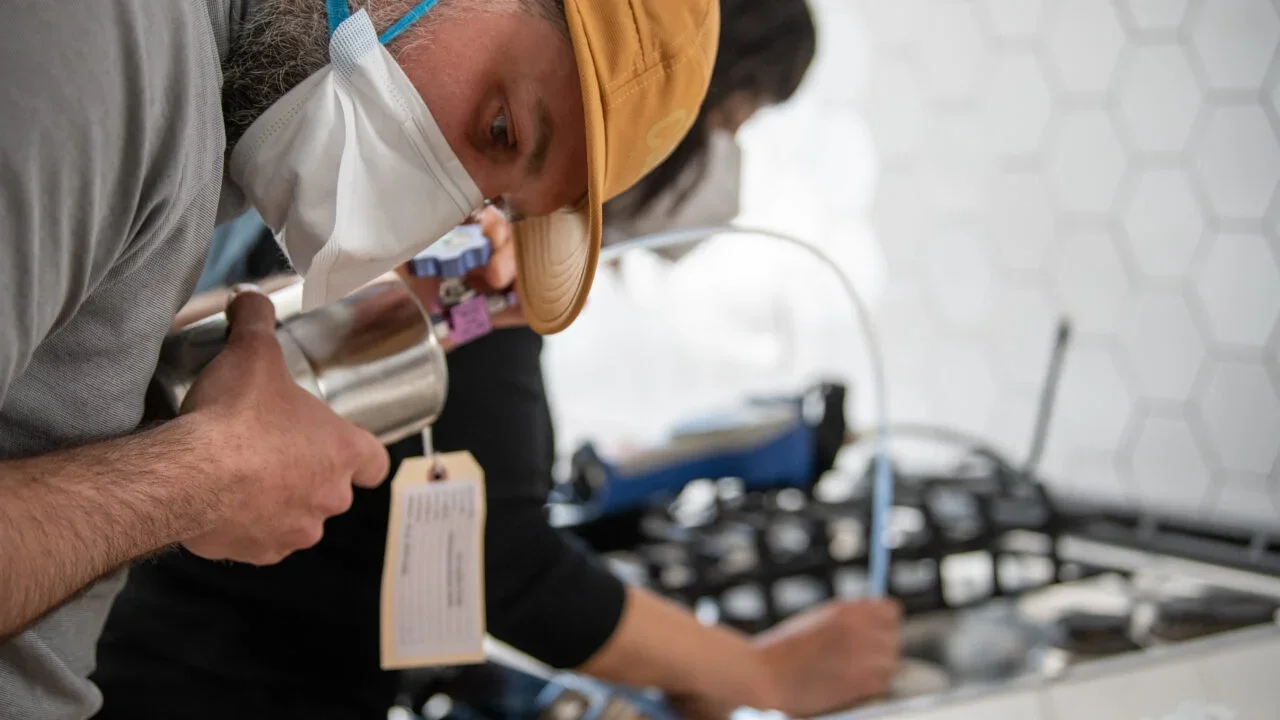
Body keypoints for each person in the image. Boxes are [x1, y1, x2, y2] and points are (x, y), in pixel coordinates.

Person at [93, 2, 901, 719]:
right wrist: (764, 673)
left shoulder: (402, 225)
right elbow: (509, 570)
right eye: (732, 123)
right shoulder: (445, 234)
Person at [0, 0, 718, 717]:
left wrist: (361, 314)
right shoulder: (107, 51)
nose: (448, 210)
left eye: (492, 201)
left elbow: (66, 373)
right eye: (499, 127)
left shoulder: (203, 120)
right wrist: (199, 479)